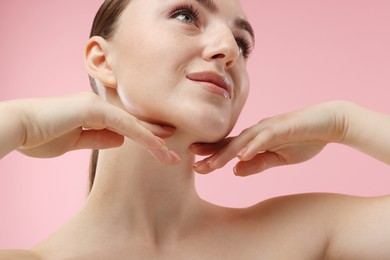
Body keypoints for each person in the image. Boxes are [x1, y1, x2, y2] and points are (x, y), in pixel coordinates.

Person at [0, 0, 390, 259]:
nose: (230, 50)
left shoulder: (299, 234)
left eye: (242, 42)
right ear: (102, 60)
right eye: (186, 15)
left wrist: (344, 121)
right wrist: (18, 124)